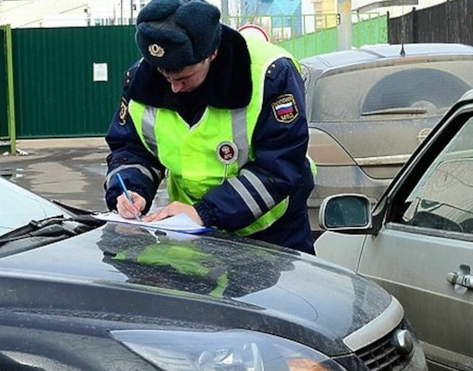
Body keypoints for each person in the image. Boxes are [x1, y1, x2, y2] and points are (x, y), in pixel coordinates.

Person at [103, 0, 315, 254]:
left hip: (274, 232)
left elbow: (279, 167)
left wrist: (205, 212)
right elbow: (131, 148)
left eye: (182, 77)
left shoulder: (271, 74)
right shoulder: (141, 79)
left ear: (211, 54)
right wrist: (131, 190)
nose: (173, 87)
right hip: (191, 231)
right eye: (164, 74)